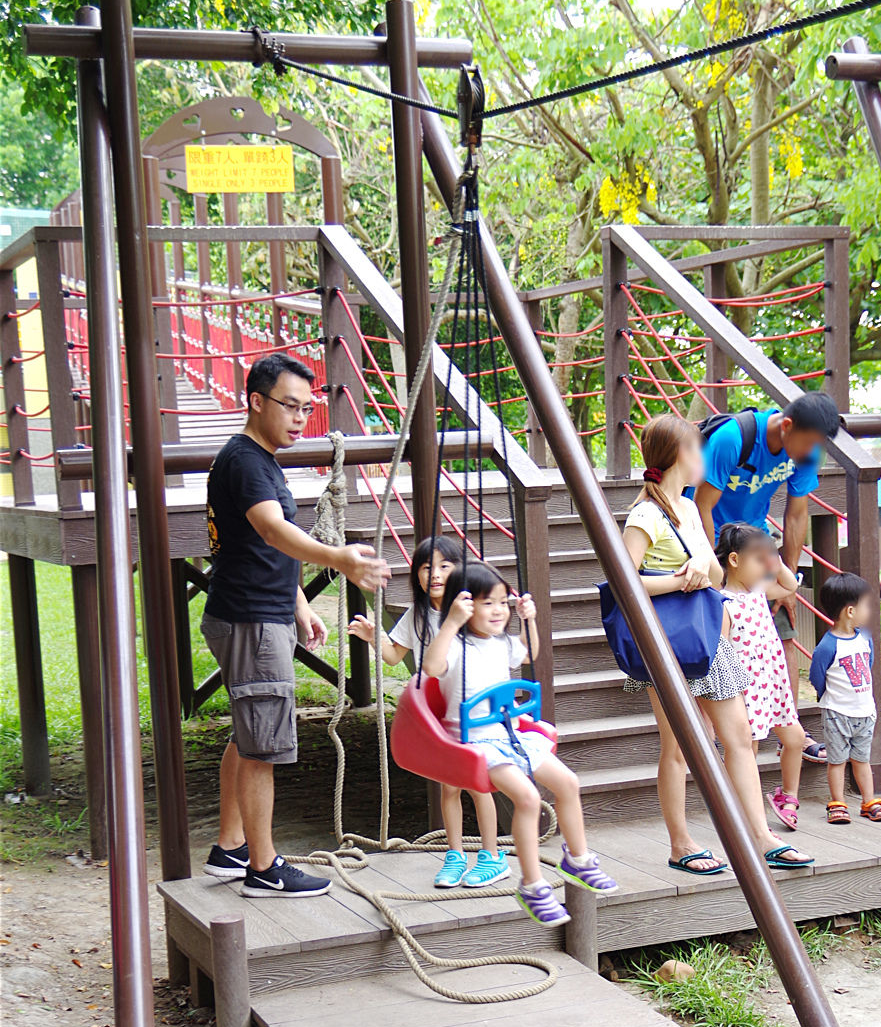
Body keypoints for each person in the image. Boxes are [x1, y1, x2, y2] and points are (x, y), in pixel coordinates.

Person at [201, 351, 390, 896]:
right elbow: (271, 531)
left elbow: (254, 548)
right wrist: (341, 559)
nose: (299, 418)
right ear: (256, 402)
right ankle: (263, 868)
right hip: (250, 620)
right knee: (263, 744)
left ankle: (231, 848)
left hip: (257, 610)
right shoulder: (245, 461)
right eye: (290, 405)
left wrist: (298, 603)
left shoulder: (256, 458)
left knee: (248, 731)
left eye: (307, 409)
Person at [622, 414, 813, 874]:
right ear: (679, 456)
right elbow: (625, 582)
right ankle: (680, 843)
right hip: (666, 643)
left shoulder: (688, 508)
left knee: (739, 738)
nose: (704, 457)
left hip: (711, 635)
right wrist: (674, 580)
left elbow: (712, 574)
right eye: (697, 449)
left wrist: (696, 574)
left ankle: (761, 837)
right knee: (680, 745)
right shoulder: (645, 514)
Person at [421, 561, 618, 928]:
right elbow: (431, 668)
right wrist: (450, 622)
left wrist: (530, 621)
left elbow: (530, 654)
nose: (498, 611)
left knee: (568, 783)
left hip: (510, 736)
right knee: (527, 798)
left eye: (503, 603)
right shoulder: (454, 646)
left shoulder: (502, 643)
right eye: (487, 603)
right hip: (474, 743)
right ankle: (532, 885)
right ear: (462, 605)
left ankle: (577, 859)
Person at [349, 535, 507, 888]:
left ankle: (492, 855)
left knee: (479, 784)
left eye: (444, 566)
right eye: (425, 567)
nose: (434, 574)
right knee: (448, 786)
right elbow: (393, 656)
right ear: (416, 575)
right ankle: (454, 854)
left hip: (471, 708)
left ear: (460, 572)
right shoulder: (417, 614)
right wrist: (375, 637)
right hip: (437, 712)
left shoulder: (470, 611)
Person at [694, 392, 842, 764]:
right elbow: (702, 504)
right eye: (808, 443)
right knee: (718, 640)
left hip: (757, 544)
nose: (811, 452)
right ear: (787, 426)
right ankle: (712, 730)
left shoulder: (807, 452)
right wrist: (716, 570)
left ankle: (788, 726)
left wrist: (786, 578)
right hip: (714, 544)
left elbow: (796, 515)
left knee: (782, 632)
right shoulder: (733, 438)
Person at [716, 523, 806, 831]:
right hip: (746, 691)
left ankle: (788, 796)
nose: (766, 565)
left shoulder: (758, 589)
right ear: (735, 561)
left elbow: (790, 586)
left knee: (795, 739)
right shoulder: (723, 602)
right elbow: (723, 654)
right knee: (746, 753)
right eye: (759, 559)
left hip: (772, 683)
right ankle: (741, 811)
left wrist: (774, 557)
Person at [809, 572, 881, 825]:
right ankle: (838, 803)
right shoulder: (827, 646)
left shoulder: (865, 638)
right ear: (850, 611)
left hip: (864, 712)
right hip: (837, 713)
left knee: (862, 759)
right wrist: (830, 697)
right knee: (836, 761)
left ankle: (869, 801)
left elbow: (869, 665)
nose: (870, 611)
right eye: (867, 605)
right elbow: (817, 676)